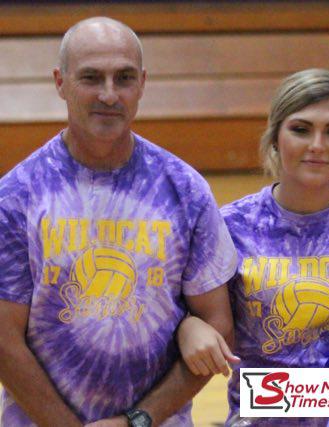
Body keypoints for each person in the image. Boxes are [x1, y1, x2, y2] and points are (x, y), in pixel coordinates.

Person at [0, 17, 237, 427]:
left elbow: (218, 324)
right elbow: (4, 340)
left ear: (142, 83)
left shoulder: (185, 188)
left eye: (123, 78)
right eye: (91, 78)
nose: (109, 94)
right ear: (60, 82)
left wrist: (137, 420)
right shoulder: (17, 195)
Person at [176, 68, 329, 426]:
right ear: (275, 137)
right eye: (301, 129)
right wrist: (189, 326)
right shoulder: (231, 225)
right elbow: (203, 323)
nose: (317, 145)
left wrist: (316, 390)